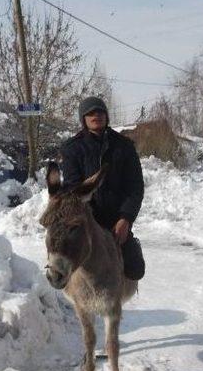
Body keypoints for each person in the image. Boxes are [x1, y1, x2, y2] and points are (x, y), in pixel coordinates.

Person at [59, 96, 145, 280]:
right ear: (83, 118)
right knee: (73, 270)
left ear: (106, 116)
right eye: (90, 113)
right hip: (88, 220)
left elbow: (135, 187)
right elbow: (72, 189)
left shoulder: (124, 146)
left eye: (100, 111)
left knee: (136, 270)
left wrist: (126, 219)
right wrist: (86, 223)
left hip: (117, 221)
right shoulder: (72, 149)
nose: (95, 115)